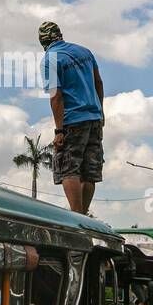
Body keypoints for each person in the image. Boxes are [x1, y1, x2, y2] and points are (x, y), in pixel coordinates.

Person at [39, 21, 105, 214]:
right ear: (60, 35)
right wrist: (100, 112)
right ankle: (83, 216)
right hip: (94, 118)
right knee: (89, 170)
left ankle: (76, 218)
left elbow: (56, 96)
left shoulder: (50, 59)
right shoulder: (84, 52)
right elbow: (98, 83)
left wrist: (59, 130)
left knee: (69, 168)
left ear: (43, 42)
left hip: (72, 120)